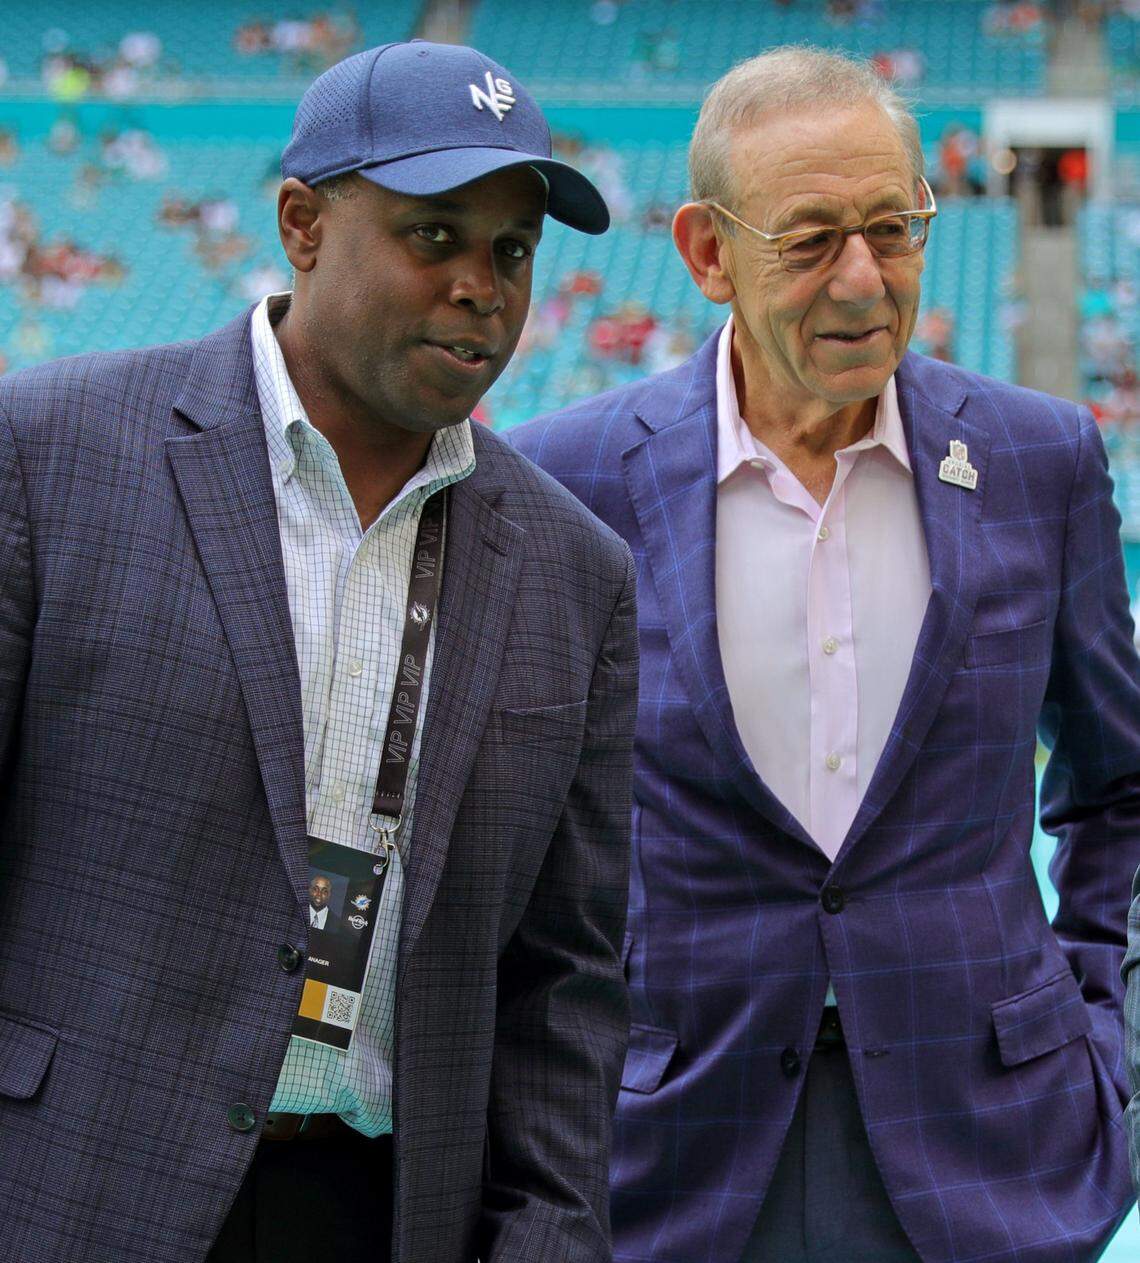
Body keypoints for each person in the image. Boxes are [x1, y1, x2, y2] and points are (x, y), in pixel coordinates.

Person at [0, 40, 638, 1263]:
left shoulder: (578, 572)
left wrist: (551, 1239)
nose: (483, 288)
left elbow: (567, 982)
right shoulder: (48, 453)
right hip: (69, 1192)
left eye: (513, 250)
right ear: (302, 224)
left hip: (384, 1212)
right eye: (434, 236)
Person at [510, 46, 1140, 1263]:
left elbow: (1120, 783)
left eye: (893, 230)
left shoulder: (1038, 461)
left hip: (996, 1152)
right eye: (810, 240)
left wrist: (1097, 1016)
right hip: (668, 1156)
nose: (865, 281)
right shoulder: (565, 480)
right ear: (706, 252)